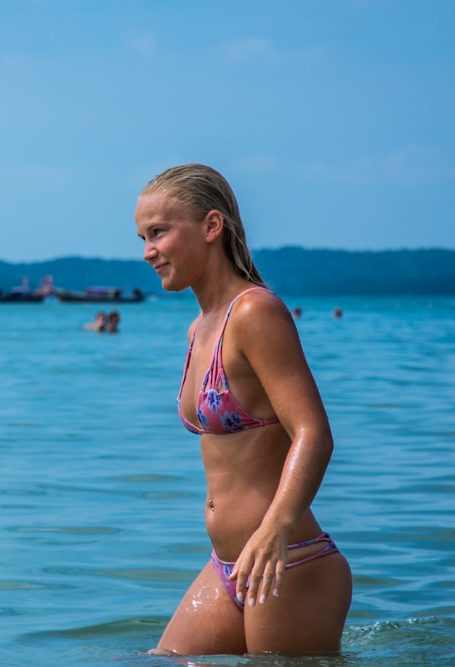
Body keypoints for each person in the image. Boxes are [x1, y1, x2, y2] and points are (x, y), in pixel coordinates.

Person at [135, 164, 351, 656]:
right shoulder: (199, 329)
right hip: (226, 565)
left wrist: (275, 529)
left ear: (212, 227)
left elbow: (313, 433)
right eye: (143, 237)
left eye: (160, 232)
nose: (148, 251)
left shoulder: (254, 313)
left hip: (287, 562)